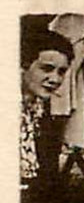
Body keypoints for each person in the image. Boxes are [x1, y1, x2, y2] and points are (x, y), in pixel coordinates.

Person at [20, 25, 73, 193]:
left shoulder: (37, 107)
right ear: (23, 65)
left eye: (61, 72)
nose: (55, 79)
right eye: (47, 69)